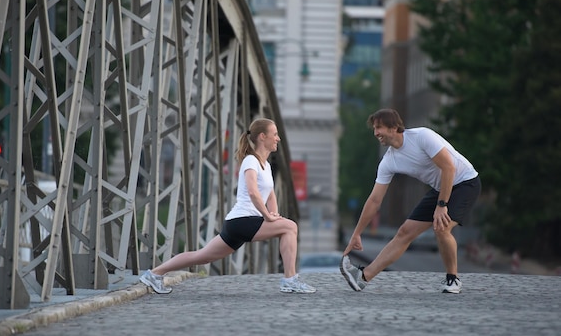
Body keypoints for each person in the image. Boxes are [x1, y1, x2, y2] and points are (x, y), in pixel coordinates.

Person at [139, 118, 316, 294]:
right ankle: (290, 280)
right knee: (290, 227)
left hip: (240, 223)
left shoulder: (266, 165)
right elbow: (254, 192)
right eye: (275, 134)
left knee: (202, 256)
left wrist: (274, 213)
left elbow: (270, 193)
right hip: (243, 221)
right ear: (263, 136)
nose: (278, 138)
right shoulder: (250, 161)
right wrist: (268, 217)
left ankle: (154, 274)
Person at [340, 108, 481, 294]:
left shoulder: (422, 136)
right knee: (404, 232)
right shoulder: (388, 160)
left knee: (442, 227)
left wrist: (442, 205)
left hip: (465, 183)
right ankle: (363, 277)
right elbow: (374, 200)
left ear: (393, 127)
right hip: (441, 188)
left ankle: (453, 280)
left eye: (379, 128)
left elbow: (448, 167)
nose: (376, 133)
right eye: (374, 129)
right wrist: (357, 233)